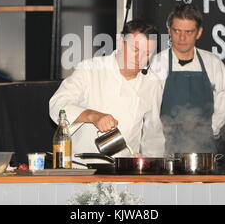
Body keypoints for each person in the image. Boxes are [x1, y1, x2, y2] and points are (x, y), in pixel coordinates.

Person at [49, 20, 165, 165]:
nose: (139, 59)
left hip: (123, 172)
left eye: (147, 54)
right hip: (82, 169)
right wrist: (93, 116)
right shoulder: (91, 69)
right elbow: (57, 105)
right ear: (119, 42)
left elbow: (153, 136)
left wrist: (151, 165)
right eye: (135, 50)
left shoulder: (152, 84)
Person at [150, 3, 225, 154]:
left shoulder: (213, 63)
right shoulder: (157, 64)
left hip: (203, 146)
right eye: (177, 31)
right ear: (169, 31)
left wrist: (208, 132)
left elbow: (221, 102)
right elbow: (152, 113)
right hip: (165, 147)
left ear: (199, 33)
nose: (182, 37)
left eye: (189, 32)